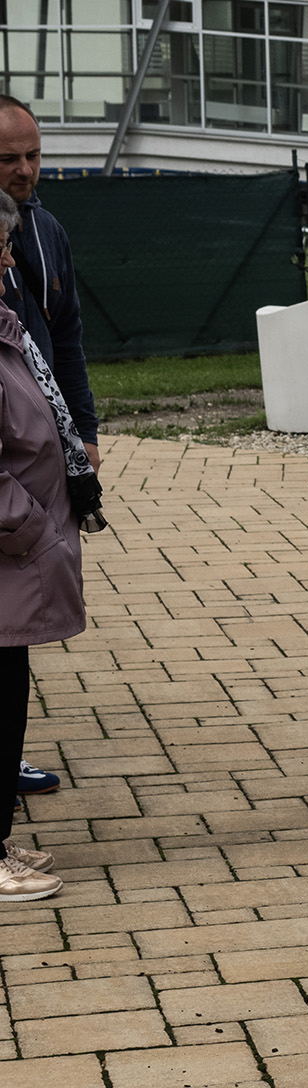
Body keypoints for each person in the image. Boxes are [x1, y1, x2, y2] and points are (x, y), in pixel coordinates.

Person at [0, 191, 98, 900]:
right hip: (13, 548)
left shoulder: (7, 324)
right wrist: (31, 529)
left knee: (8, 696)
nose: (9, 261)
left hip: (18, 555)